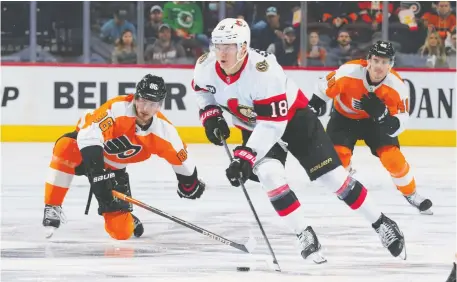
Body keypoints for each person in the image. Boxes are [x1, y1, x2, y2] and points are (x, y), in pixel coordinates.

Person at [191, 18, 406, 263]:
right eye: (217, 45)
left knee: (332, 178)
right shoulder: (205, 66)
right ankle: (303, 232)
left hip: (294, 118)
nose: (221, 52)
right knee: (270, 176)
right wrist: (210, 116)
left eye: (228, 46)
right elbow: (202, 90)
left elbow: (273, 125)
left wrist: (246, 155)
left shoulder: (264, 71)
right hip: (253, 126)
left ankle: (382, 223)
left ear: (243, 47)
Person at [43, 75, 206, 240]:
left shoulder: (165, 132)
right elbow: (87, 136)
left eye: (153, 104)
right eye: (142, 100)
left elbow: (184, 163)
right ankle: (52, 205)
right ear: (135, 97)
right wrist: (98, 173)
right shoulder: (117, 108)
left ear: (160, 106)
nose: (145, 108)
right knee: (65, 147)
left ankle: (127, 217)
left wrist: (189, 184)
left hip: (114, 169)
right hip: (86, 154)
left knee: (121, 232)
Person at [308, 41, 433, 215]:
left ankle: (411, 194)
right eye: (376, 60)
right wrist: (313, 106)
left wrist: (383, 116)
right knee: (337, 161)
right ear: (368, 61)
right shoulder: (348, 72)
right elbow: (322, 89)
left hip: (376, 124)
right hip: (344, 120)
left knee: (394, 159)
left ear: (391, 64)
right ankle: (347, 169)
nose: (379, 66)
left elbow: (400, 123)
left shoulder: (397, 86)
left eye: (384, 62)